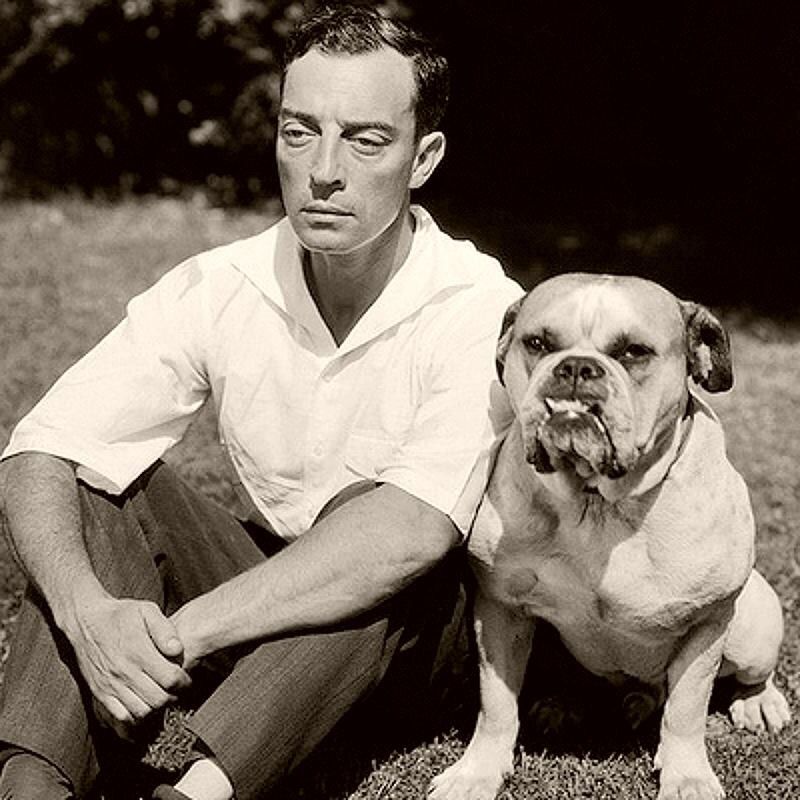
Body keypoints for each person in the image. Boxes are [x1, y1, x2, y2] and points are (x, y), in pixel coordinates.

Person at [0, 5, 522, 799]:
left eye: (367, 139)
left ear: (424, 158)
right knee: (96, 482)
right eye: (300, 131)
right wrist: (88, 616)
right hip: (266, 592)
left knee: (370, 529)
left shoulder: (480, 304)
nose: (324, 169)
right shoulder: (223, 283)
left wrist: (173, 638)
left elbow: (411, 533)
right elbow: (41, 447)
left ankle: (198, 791)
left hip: (419, 642)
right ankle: (31, 786)